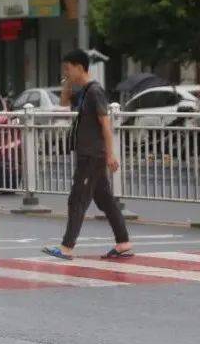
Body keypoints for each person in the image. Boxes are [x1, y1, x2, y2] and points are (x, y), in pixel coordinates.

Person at [43, 49, 133, 261]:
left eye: (68, 68)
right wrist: (67, 82)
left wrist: (110, 154)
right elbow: (64, 103)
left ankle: (66, 247)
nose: (66, 72)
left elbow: (105, 124)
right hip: (87, 154)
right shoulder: (83, 91)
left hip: (93, 155)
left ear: (80, 67)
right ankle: (123, 243)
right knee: (105, 200)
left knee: (77, 199)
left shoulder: (94, 92)